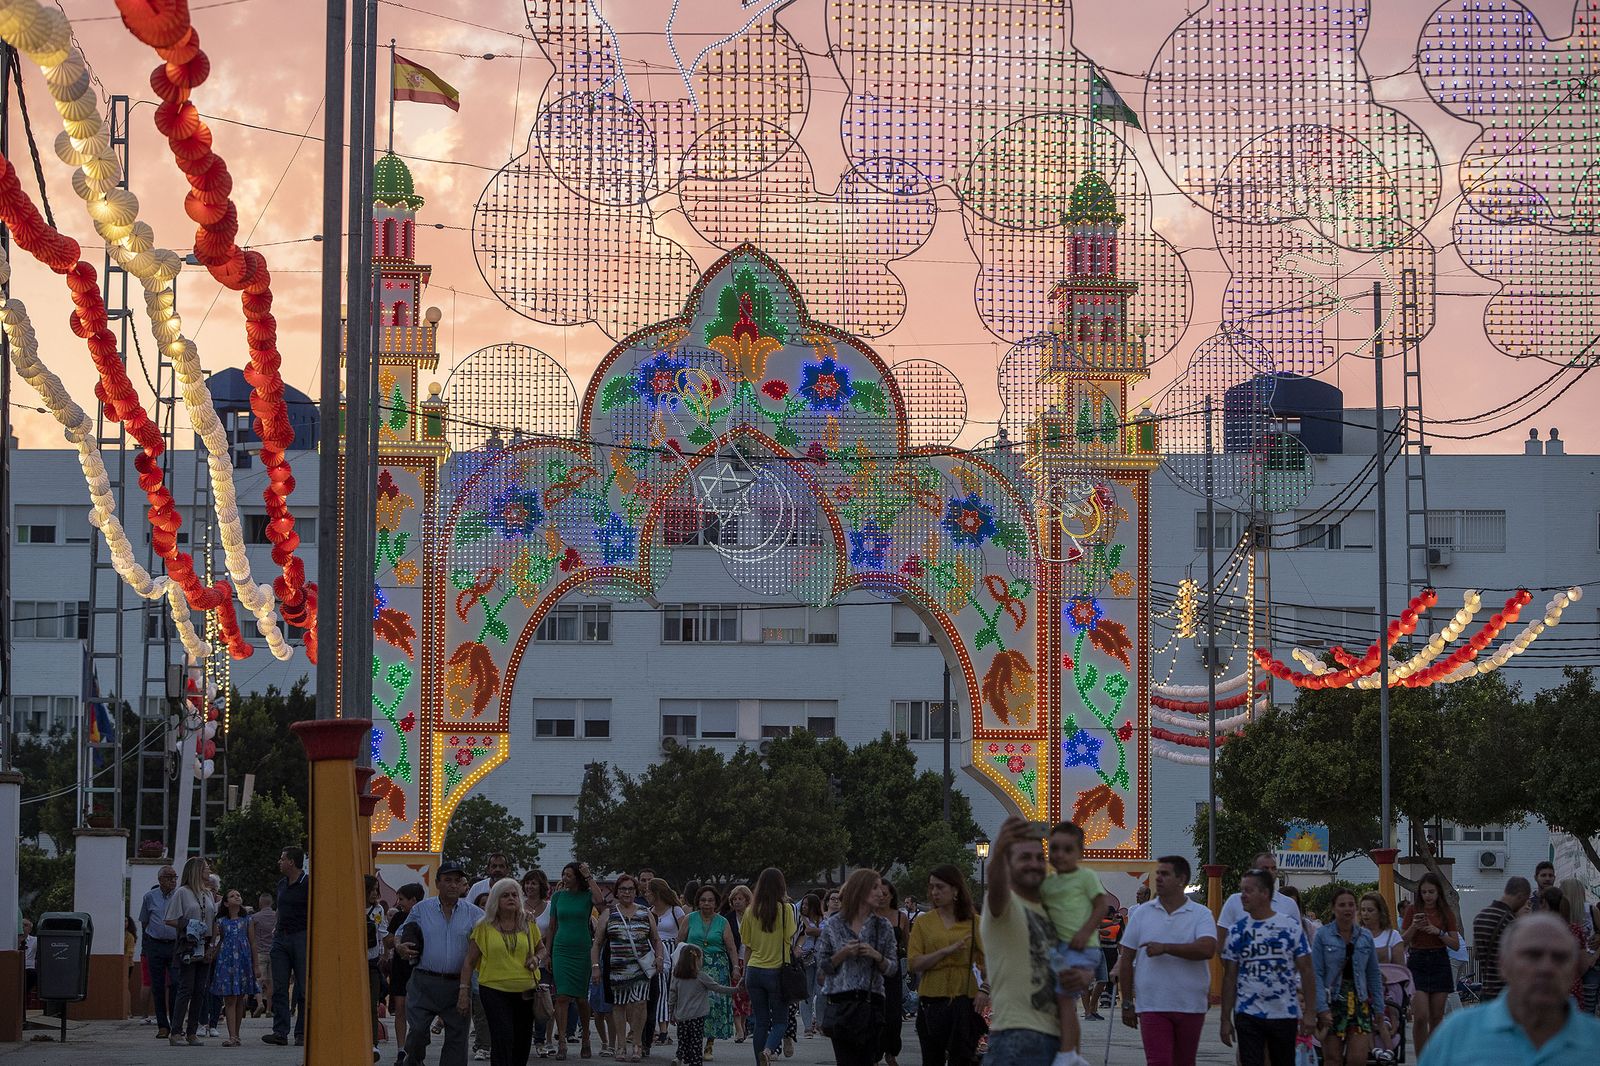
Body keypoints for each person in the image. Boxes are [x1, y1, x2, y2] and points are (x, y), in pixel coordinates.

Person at [1417, 912, 1600, 1064]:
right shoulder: (1456, 1035)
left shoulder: (1595, 1042)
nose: (1546, 967)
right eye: (1532, 955)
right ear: (1503, 964)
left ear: (1574, 968)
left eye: (1560, 957)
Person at [981, 817, 1092, 1066]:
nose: (1033, 864)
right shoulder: (1003, 907)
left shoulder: (1052, 913)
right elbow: (996, 886)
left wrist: (1082, 976)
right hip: (1016, 1036)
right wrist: (998, 851)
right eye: (1024, 858)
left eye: (1039, 858)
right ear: (1008, 865)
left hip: (1057, 1038)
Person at [1116, 855, 1215, 1066]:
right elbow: (1126, 959)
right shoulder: (1141, 914)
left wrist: (1166, 948)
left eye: (1164, 874)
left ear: (1182, 879)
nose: (1158, 878)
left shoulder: (1201, 914)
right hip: (1152, 1004)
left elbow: (1207, 949)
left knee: (1184, 1061)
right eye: (1157, 874)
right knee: (1158, 1061)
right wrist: (1126, 1002)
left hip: (1190, 1003)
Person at [1219, 867, 1315, 1066]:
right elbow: (1229, 976)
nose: (1242, 896)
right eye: (1241, 890)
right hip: (1248, 1013)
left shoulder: (1290, 927)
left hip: (1283, 1012)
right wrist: (1225, 1019)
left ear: (1264, 893)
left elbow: (1307, 970)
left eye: (1248, 891)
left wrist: (1310, 1013)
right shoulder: (1237, 931)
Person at [397, 860, 487, 1066]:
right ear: (437, 883)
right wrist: (400, 946)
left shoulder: (474, 913)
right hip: (423, 983)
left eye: (458, 881)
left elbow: (497, 925)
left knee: (457, 1041)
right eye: (448, 880)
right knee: (418, 1031)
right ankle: (414, 1060)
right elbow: (400, 934)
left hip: (458, 986)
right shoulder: (422, 909)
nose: (453, 885)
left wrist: (524, 916)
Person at [1041, 820, 1109, 1066]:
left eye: (1067, 849)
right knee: (1061, 1000)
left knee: (1064, 999)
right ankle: (1073, 1054)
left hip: (1082, 947)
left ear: (1080, 853)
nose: (1059, 854)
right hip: (1059, 949)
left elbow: (1101, 905)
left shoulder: (1086, 877)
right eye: (1055, 848)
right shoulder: (1048, 883)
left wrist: (1085, 931)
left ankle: (1068, 1053)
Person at [816, 869, 897, 1066]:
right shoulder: (834, 924)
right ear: (860, 890)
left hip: (870, 1004)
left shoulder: (882, 926)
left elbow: (892, 968)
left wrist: (876, 956)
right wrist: (842, 954)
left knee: (867, 1061)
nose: (881, 893)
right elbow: (822, 969)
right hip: (840, 1004)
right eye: (875, 887)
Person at [909, 864, 988, 1066]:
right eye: (931, 887)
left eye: (940, 887)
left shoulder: (974, 922)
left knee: (962, 1058)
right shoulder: (923, 922)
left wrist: (985, 989)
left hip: (964, 997)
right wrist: (945, 951)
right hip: (931, 998)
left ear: (955, 890)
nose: (934, 892)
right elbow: (914, 963)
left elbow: (993, 961)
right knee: (932, 1058)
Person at [467, 878, 543, 1066]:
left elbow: (541, 948)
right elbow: (469, 961)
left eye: (514, 895)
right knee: (503, 1036)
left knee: (523, 1040)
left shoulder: (528, 922)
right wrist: (463, 989)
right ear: (495, 900)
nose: (511, 898)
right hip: (493, 988)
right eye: (505, 895)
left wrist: (536, 959)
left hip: (525, 990)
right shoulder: (483, 926)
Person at [1311, 887, 1385, 1066]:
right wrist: (1321, 1008)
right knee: (1333, 1058)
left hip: (1359, 1001)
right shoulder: (1322, 935)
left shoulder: (1365, 936)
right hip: (1332, 1001)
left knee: (1358, 1059)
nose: (1347, 909)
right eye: (1342, 905)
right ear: (1334, 908)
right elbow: (1316, 974)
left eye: (1351, 905)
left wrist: (1379, 1008)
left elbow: (1373, 974)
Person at [596, 873, 665, 1063]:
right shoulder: (609, 913)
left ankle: (637, 1043)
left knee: (640, 1003)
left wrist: (659, 957)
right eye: (623, 889)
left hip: (641, 967)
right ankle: (620, 1044)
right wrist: (595, 966)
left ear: (636, 891)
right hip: (617, 967)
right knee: (619, 1004)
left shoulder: (645, 912)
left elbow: (656, 940)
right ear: (617, 892)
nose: (627, 892)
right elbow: (597, 943)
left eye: (631, 889)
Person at [546, 861, 606, 1061]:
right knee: (562, 996)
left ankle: (586, 1037)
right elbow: (552, 926)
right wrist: (547, 952)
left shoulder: (587, 896)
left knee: (581, 998)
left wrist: (589, 876)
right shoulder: (557, 897)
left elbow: (601, 902)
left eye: (569, 875)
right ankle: (561, 1041)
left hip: (581, 950)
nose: (564, 878)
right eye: (563, 874)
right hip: (561, 949)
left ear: (577, 878)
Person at [740, 868, 795, 1066]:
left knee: (761, 1021)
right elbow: (789, 936)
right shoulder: (786, 910)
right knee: (780, 1021)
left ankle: (759, 1061)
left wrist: (744, 972)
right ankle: (768, 1050)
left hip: (754, 970)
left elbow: (747, 945)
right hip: (777, 972)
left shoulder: (750, 911)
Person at [1401, 872, 1459, 1055]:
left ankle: (1435, 1056)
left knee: (1436, 1016)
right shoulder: (1412, 910)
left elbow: (1455, 944)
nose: (1427, 896)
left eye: (1431, 892)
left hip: (1439, 960)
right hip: (1417, 959)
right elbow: (1402, 942)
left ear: (1438, 893)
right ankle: (1421, 1058)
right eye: (1424, 892)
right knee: (1420, 1016)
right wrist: (1414, 927)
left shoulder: (1445, 912)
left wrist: (1438, 932)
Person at [164, 855, 219, 1048]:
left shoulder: (208, 894)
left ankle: (192, 1032)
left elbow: (213, 920)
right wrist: (189, 924)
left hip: (205, 944)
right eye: (205, 868)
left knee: (200, 990)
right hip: (189, 944)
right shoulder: (182, 893)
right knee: (186, 988)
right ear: (196, 871)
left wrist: (213, 943)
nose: (208, 871)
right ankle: (176, 1031)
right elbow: (169, 919)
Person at [685, 884, 739, 1061]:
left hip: (717, 967)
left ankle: (709, 1044)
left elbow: (731, 948)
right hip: (693, 966)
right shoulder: (689, 919)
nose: (706, 903)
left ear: (716, 903)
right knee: (693, 1006)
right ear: (698, 902)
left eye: (710, 900)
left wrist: (736, 968)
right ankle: (692, 1042)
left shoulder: (723, 922)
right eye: (703, 900)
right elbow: (680, 943)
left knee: (712, 1006)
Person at [265, 846, 310, 1047]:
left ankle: (301, 1032)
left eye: (282, 859)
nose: (279, 862)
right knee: (280, 988)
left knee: (302, 988)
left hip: (301, 936)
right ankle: (280, 1031)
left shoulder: (307, 883)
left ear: (292, 862)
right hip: (281, 938)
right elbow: (281, 909)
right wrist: (276, 926)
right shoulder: (282, 884)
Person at [670, 945, 737, 1066]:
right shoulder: (701, 977)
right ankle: (694, 1062)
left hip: (681, 1017)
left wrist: (671, 1013)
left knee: (683, 1042)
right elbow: (718, 987)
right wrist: (736, 990)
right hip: (697, 1017)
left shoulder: (677, 976)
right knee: (696, 1044)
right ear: (696, 961)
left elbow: (672, 996)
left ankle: (681, 1057)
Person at [210, 888, 259, 1047]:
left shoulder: (247, 920)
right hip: (226, 962)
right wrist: (211, 954)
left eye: (238, 895)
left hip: (243, 963)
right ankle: (232, 1036)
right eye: (232, 896)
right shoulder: (221, 922)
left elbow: (252, 943)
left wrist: (256, 965)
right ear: (225, 902)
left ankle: (236, 1035)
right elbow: (218, 941)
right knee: (230, 999)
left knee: (239, 1000)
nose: (236, 897)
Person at [872, 880, 912, 1065]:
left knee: (893, 1013)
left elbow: (908, 943)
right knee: (874, 1011)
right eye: (878, 894)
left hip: (892, 968)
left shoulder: (900, 917)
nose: (881, 897)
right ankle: (875, 1051)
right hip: (872, 969)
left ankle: (892, 1050)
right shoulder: (869, 916)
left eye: (885, 894)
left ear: (892, 896)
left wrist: (912, 962)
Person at [644, 879, 687, 1054]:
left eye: (648, 891)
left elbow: (685, 930)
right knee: (659, 990)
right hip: (657, 952)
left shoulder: (676, 910)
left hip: (673, 951)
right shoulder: (648, 912)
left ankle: (665, 1028)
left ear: (657, 893)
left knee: (671, 991)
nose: (645, 894)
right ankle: (661, 1029)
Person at [1216, 853, 1301, 938]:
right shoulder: (1234, 901)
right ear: (1253, 871)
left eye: (1274, 868)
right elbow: (1221, 940)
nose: (1270, 872)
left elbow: (1298, 939)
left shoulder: (1289, 904)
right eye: (1265, 868)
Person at [1473, 876, 1532, 1000]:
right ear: (1520, 896)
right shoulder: (1509, 921)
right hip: (1504, 994)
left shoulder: (1480, 917)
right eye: (1525, 901)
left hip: (1486, 990)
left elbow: (1476, 954)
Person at [138, 865, 179, 1039]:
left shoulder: (180, 896)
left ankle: (175, 1023)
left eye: (174, 877)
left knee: (176, 983)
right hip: (155, 945)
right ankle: (163, 1025)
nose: (173, 880)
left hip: (175, 945)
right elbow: (144, 922)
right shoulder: (149, 897)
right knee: (157, 986)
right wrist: (148, 945)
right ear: (160, 879)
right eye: (169, 877)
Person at [387, 882, 425, 1064]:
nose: (398, 902)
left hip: (418, 968)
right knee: (400, 1008)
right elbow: (388, 938)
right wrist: (396, 943)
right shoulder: (398, 917)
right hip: (400, 968)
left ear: (414, 900)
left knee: (416, 1011)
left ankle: (415, 1048)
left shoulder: (425, 918)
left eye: (401, 899)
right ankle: (401, 1049)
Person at [1542, 886, 1599, 1008]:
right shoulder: (1574, 930)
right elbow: (1583, 964)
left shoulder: (1538, 930)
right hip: (1572, 989)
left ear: (1545, 904)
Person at [724, 885, 753, 1043]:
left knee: (746, 995)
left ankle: (742, 1024)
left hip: (750, 959)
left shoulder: (753, 916)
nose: (737, 902)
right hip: (734, 960)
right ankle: (739, 1029)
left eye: (740, 899)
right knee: (735, 994)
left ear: (747, 900)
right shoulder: (728, 918)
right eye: (734, 899)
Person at [794, 895, 824, 1040]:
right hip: (805, 959)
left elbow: (817, 932)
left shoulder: (823, 920)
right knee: (806, 993)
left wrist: (815, 930)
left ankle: (820, 1022)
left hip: (820, 959)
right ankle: (807, 1027)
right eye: (803, 904)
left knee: (821, 992)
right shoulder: (799, 918)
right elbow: (810, 931)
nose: (804, 907)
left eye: (807, 904)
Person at [252, 891, 277, 1019]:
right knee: (270, 982)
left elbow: (250, 935)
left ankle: (260, 1002)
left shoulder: (255, 917)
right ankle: (269, 1009)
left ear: (260, 902)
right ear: (271, 903)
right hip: (273, 952)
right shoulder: (276, 916)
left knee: (258, 980)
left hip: (259, 952)